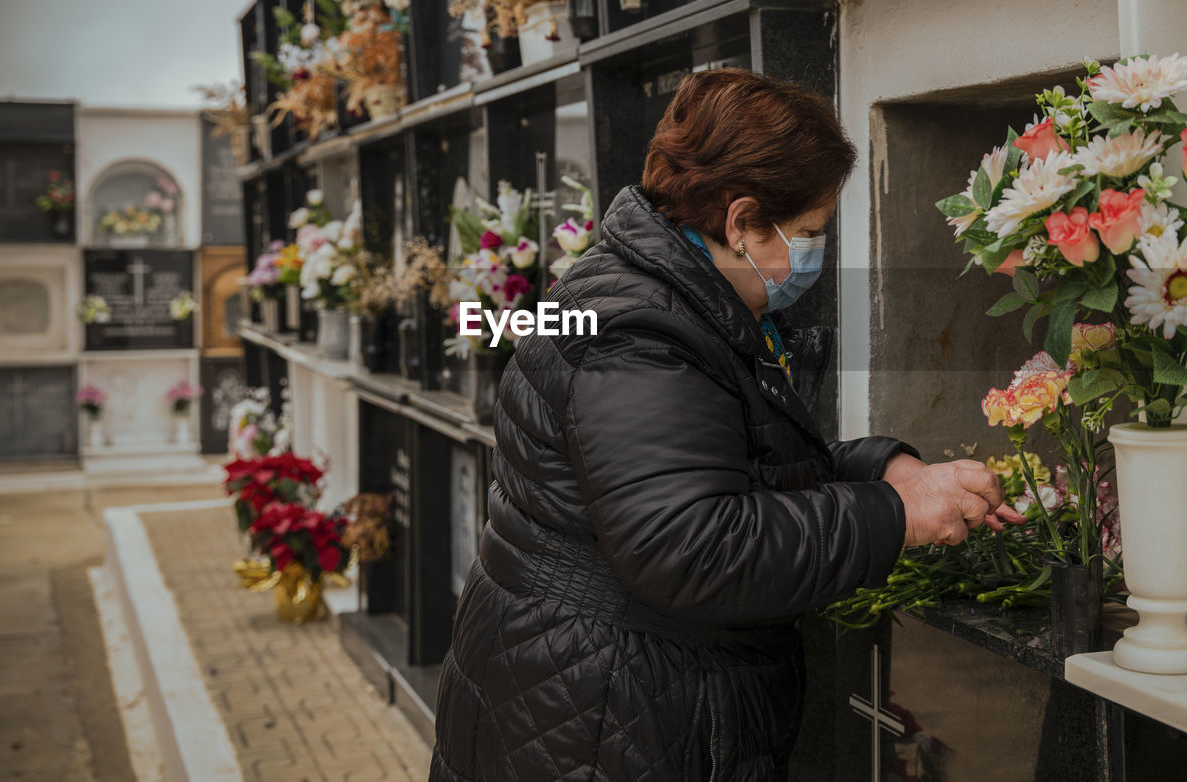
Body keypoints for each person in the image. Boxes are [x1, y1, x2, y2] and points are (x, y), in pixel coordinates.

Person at [429, 69, 1024, 781]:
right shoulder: (640, 336)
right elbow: (691, 546)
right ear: (741, 223)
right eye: (807, 233)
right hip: (600, 718)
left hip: (589, 688)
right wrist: (894, 516)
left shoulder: (662, 295)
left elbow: (713, 462)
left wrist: (882, 468)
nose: (813, 252)